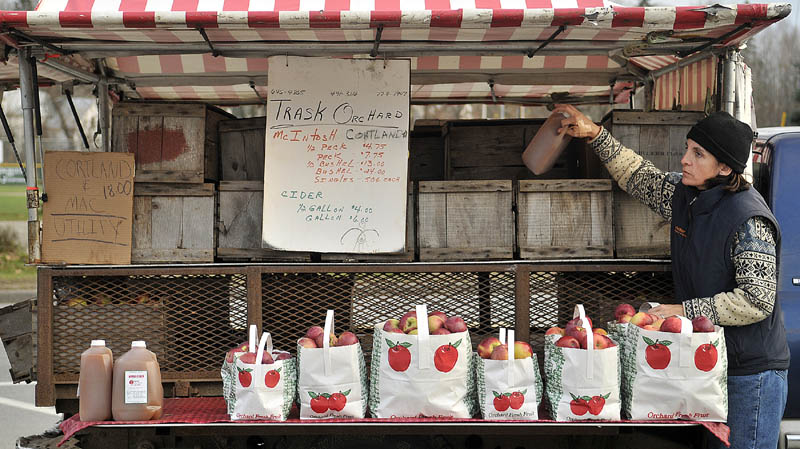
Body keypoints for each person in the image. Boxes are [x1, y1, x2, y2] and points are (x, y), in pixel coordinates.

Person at [553, 104, 789, 449]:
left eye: (698, 153)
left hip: (750, 374)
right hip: (709, 369)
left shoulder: (749, 221)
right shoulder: (687, 197)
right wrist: (595, 133)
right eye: (686, 149)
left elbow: (755, 302)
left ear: (724, 167)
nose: (684, 160)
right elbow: (639, 177)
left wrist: (683, 311)